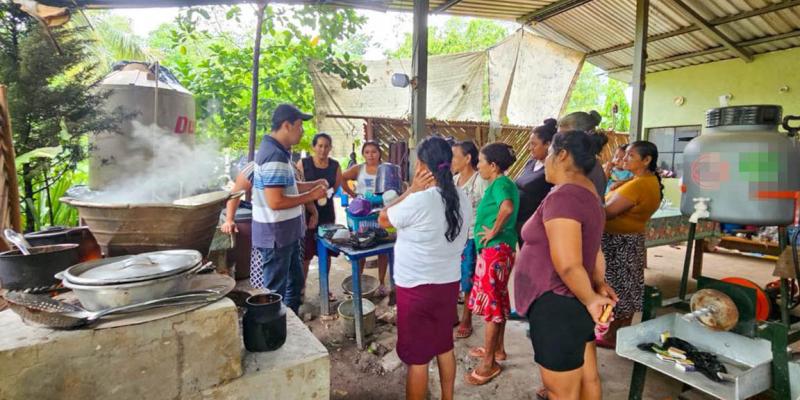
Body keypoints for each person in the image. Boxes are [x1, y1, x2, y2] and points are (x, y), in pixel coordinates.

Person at [515, 130, 617, 400]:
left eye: (549, 153)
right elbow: (594, 249)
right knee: (587, 377)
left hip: (556, 305)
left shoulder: (564, 197)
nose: (545, 161)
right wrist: (596, 286)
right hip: (574, 299)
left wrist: (591, 299)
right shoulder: (589, 193)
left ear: (561, 155)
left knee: (560, 392)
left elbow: (569, 265)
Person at [377, 136, 470, 400]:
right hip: (447, 285)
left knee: (418, 359)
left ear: (421, 165)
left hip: (416, 289)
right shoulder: (462, 198)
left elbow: (383, 218)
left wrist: (411, 190)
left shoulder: (419, 200)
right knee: (444, 346)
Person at [251, 104, 328, 314]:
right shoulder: (274, 155)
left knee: (295, 282)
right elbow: (276, 201)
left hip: (286, 234)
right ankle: (273, 327)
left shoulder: (279, 152)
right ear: (286, 125)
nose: (302, 131)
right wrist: (312, 196)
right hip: (277, 236)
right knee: (275, 291)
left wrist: (313, 184)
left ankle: (290, 322)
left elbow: (288, 187)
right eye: (299, 126)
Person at [598, 141, 663, 348]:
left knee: (619, 288)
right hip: (627, 239)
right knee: (626, 286)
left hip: (620, 242)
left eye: (631, 156)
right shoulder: (643, 181)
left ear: (646, 160)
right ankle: (618, 332)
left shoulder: (639, 185)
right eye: (625, 155)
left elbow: (607, 212)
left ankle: (613, 335)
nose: (624, 159)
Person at [465, 142, 519, 386]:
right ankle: (497, 350)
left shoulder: (500, 184)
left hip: (495, 251)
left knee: (492, 306)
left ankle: (489, 364)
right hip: (499, 250)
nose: (478, 166)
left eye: (480, 162)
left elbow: (506, 208)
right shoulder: (502, 183)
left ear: (494, 165)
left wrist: (493, 232)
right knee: (498, 299)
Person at [450, 140, 488, 340]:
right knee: (453, 276)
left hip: (472, 237)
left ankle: (467, 318)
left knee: (468, 280)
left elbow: (492, 207)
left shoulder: (479, 181)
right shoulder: (454, 180)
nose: (451, 160)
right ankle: (453, 314)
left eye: (454, 156)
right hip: (455, 237)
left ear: (467, 158)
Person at [342, 141, 390, 297]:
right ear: (363, 154)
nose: (370, 155)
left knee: (382, 248)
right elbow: (341, 177)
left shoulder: (385, 169)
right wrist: (352, 194)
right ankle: (358, 282)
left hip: (381, 213)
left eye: (374, 151)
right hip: (361, 215)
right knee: (360, 247)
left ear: (379, 153)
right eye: (367, 152)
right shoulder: (359, 169)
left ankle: (381, 283)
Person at [297, 133, 342, 302]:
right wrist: (312, 207)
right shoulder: (303, 164)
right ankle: (301, 288)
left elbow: (335, 187)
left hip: (327, 212)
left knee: (327, 251)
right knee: (306, 253)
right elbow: (298, 189)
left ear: (330, 148)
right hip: (307, 213)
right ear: (314, 147)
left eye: (326, 146)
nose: (323, 150)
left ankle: (325, 288)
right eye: (320, 146)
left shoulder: (335, 166)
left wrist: (325, 196)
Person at [515, 118, 558, 240]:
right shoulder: (531, 163)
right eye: (530, 144)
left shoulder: (553, 170)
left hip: (534, 225)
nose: (530, 148)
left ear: (548, 145)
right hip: (517, 221)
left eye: (534, 144)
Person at [557, 111, 608, 200]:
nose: (558, 142)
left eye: (564, 138)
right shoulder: (580, 162)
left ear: (582, 138)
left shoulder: (585, 168)